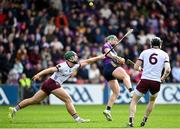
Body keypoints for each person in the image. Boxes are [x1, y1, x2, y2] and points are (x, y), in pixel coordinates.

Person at [9, 51, 105, 123]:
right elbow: (50, 69)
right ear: (70, 59)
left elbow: (88, 61)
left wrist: (100, 57)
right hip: (52, 83)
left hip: (49, 83)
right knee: (68, 99)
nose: (77, 57)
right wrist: (39, 74)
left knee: (34, 100)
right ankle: (77, 119)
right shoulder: (63, 65)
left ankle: (14, 109)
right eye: (75, 56)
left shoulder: (75, 66)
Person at [128, 37, 171, 127]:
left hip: (145, 80)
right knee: (152, 101)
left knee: (134, 100)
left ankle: (131, 120)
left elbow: (136, 67)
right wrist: (162, 78)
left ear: (151, 44)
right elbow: (167, 70)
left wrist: (140, 69)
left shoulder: (144, 52)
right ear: (160, 44)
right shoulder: (165, 54)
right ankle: (145, 119)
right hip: (156, 82)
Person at [102, 35, 133, 121]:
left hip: (107, 70)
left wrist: (120, 60)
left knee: (116, 92)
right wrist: (118, 58)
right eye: (115, 40)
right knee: (126, 76)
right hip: (110, 66)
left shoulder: (113, 48)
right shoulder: (106, 45)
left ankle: (107, 110)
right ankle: (131, 92)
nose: (116, 42)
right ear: (110, 39)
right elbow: (109, 54)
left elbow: (114, 57)